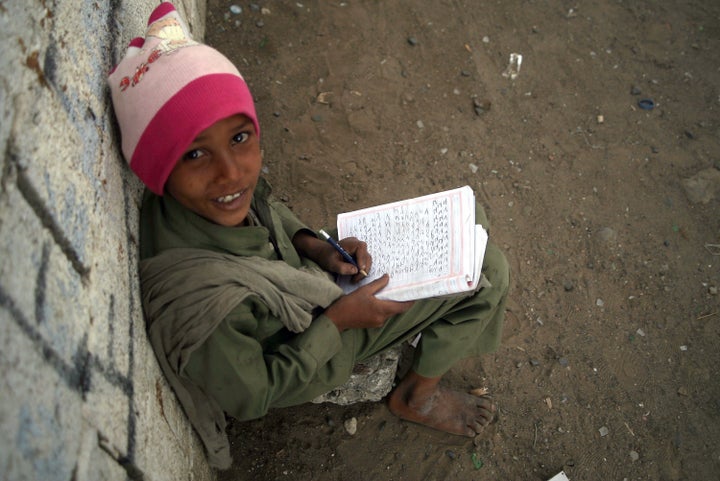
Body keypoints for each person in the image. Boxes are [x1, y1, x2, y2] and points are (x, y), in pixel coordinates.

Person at [109, 2, 509, 469]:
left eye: (240, 139)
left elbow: (263, 205)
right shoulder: (203, 306)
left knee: (467, 222)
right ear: (158, 169)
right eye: (196, 155)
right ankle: (416, 397)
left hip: (308, 283)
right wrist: (339, 322)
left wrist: (316, 246)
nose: (231, 173)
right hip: (311, 342)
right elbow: (255, 395)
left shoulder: (190, 200)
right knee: (486, 271)